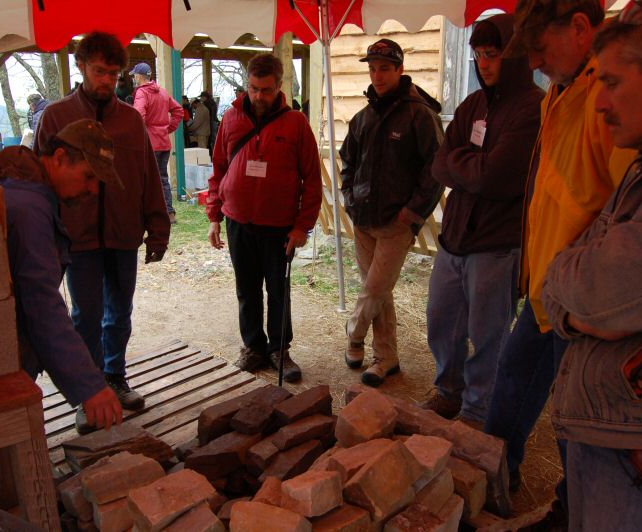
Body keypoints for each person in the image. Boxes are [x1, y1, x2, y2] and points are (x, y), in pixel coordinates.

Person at [542, 1, 642, 528]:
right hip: (622, 443)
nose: (600, 102)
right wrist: (577, 306)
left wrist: (577, 299)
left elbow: (593, 285)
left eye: (612, 81)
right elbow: (568, 278)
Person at [482, 0, 636, 523]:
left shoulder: (610, 93)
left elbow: (632, 208)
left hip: (586, 302)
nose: (537, 64)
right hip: (548, 289)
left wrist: (587, 286)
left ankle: (574, 513)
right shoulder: (563, 91)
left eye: (541, 51)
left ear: (578, 27)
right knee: (511, 383)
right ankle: (492, 479)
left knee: (577, 421)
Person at [0, 119, 124, 499]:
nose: (92, 189)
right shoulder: (28, 208)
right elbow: (42, 306)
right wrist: (90, 387)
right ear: (59, 158)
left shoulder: (0, 178)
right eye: (89, 177)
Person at [34, 31, 171, 434]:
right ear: (81, 67)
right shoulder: (56, 117)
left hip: (123, 233)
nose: (106, 81)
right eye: (99, 72)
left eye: (113, 74)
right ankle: (88, 392)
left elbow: (149, 176)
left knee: (120, 313)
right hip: (77, 236)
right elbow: (42, 181)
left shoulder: (130, 120)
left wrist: (158, 227)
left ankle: (114, 376)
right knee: (86, 315)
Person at [423, 14, 544, 427]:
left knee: (488, 335)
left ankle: (477, 410)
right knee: (441, 322)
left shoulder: (532, 108)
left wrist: (469, 168)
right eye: (478, 55)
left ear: (513, 57)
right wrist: (472, 168)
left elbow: (496, 176)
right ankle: (449, 391)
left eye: (492, 55)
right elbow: (440, 165)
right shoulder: (473, 104)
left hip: (497, 242)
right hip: (455, 237)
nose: (483, 63)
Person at [206, 53, 321, 383]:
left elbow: (312, 180)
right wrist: (214, 217)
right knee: (247, 289)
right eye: (254, 89)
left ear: (280, 86)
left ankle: (279, 349)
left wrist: (302, 226)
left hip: (279, 227)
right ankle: (254, 347)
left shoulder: (296, 123)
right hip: (238, 221)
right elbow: (218, 169)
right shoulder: (230, 118)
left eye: (266, 90)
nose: (258, 96)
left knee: (278, 289)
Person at [340, 38, 444, 387]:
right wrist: (349, 198)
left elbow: (436, 168)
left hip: (396, 223)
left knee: (373, 289)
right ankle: (387, 358)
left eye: (385, 68)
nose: (378, 75)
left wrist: (413, 212)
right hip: (363, 219)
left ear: (400, 69)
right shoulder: (363, 118)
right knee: (378, 292)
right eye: (372, 68)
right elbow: (347, 162)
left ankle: (353, 334)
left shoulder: (420, 115)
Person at [131, 62, 184, 225]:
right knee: (162, 178)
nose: (133, 78)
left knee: (145, 180)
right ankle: (169, 213)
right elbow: (179, 111)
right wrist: (168, 128)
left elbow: (138, 116)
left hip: (150, 144)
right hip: (164, 143)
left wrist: (140, 135)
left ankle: (147, 215)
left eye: (134, 75)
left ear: (140, 76)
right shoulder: (162, 92)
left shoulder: (141, 93)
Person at [200, 90, 219, 154]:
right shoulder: (212, 103)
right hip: (213, 122)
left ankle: (214, 154)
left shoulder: (207, 104)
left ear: (205, 97)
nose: (200, 99)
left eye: (201, 97)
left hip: (211, 123)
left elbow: (210, 115)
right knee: (214, 140)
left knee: (213, 140)